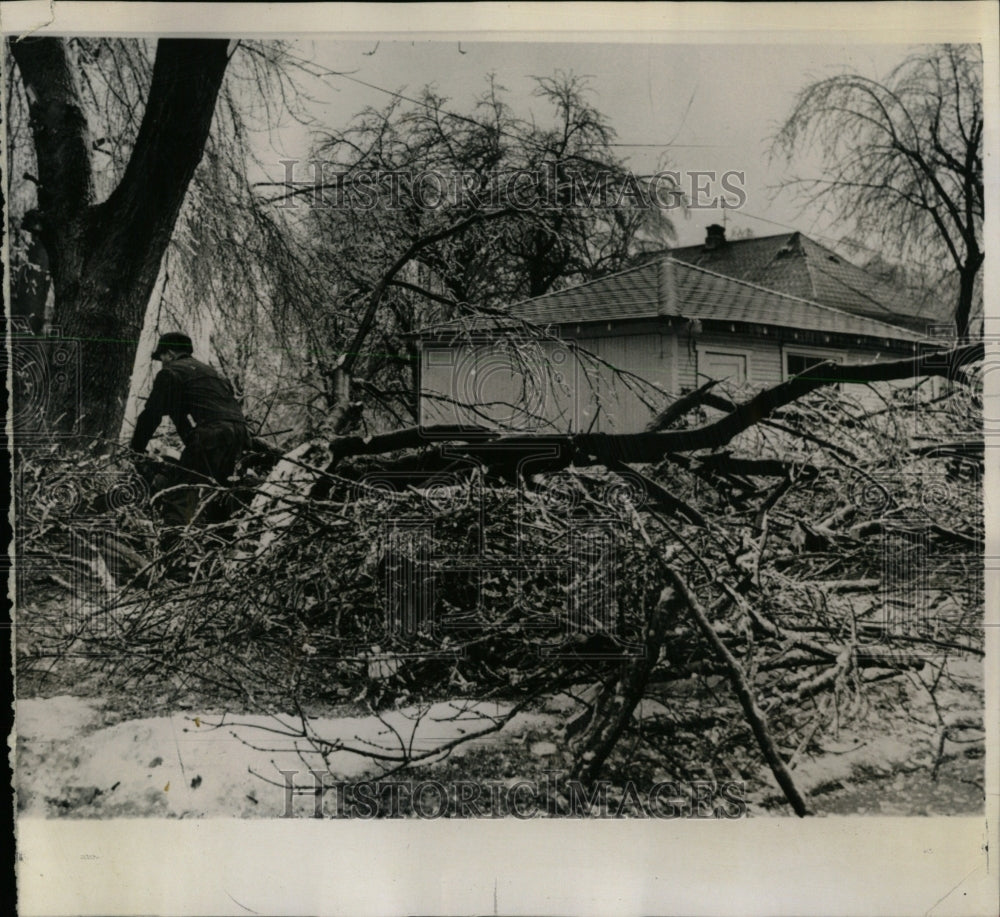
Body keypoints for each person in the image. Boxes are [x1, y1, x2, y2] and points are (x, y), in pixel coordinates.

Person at [131, 332, 250, 525]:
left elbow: (151, 416)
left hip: (213, 432)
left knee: (180, 493)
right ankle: (221, 545)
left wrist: (136, 448)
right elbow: (184, 416)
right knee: (221, 493)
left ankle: (172, 545)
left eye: (162, 358)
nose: (162, 363)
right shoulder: (212, 373)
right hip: (241, 435)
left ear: (169, 354)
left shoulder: (171, 372)